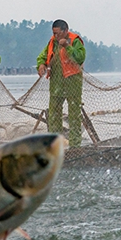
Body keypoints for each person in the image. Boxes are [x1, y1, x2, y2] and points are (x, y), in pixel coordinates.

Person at [36, 19, 86, 147]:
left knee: (74, 115)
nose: (55, 36)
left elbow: (80, 57)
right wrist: (41, 64)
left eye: (58, 33)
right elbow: (43, 55)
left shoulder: (74, 40)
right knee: (54, 114)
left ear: (65, 31)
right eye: (54, 33)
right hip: (56, 83)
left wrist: (67, 47)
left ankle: (75, 145)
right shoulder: (52, 42)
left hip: (72, 82)